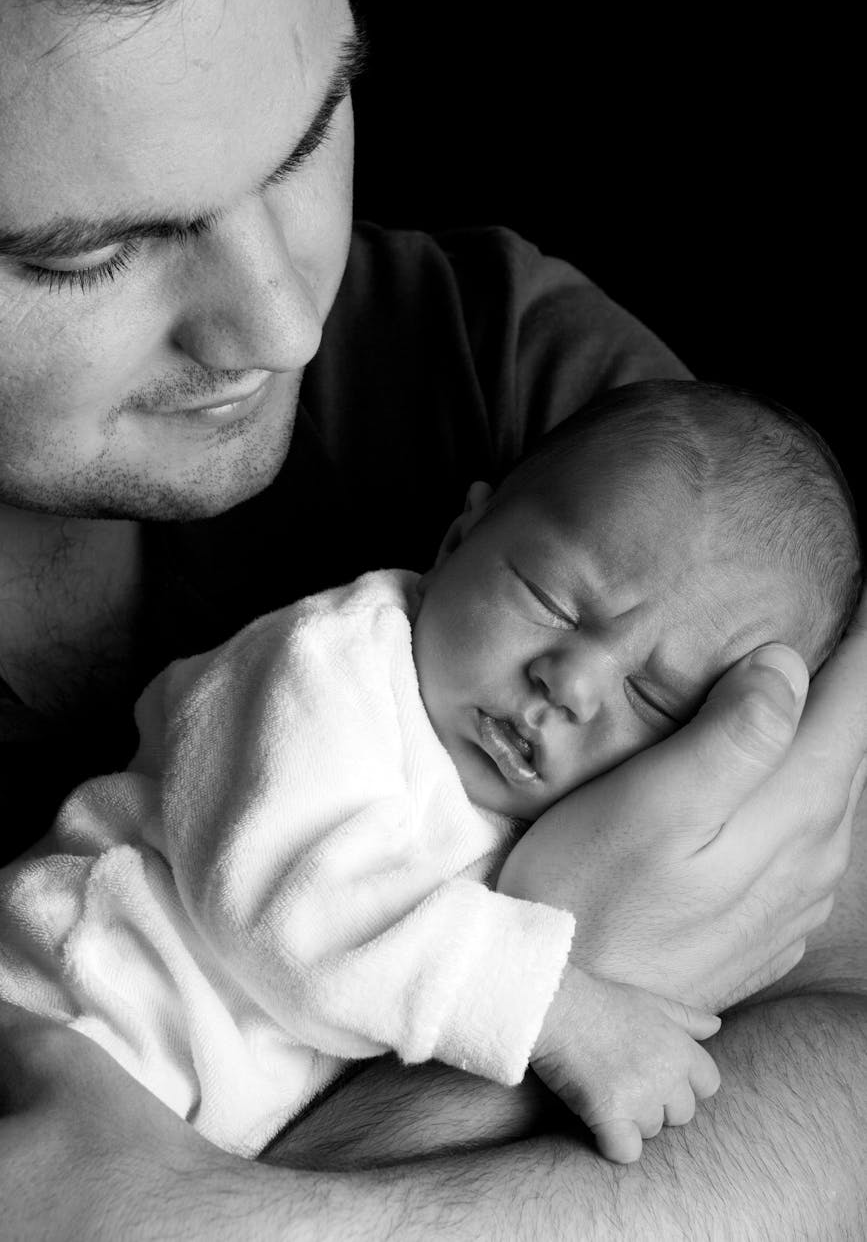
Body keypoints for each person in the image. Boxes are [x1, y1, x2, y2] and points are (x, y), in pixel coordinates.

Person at [0, 0, 865, 1238]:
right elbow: (290, 903)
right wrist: (586, 996)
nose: (284, 324)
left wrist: (183, 1218)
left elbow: (846, 1073)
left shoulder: (537, 403)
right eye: (89, 254)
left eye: (304, 142)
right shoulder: (337, 666)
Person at [0, 378, 861, 1167]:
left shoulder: (581, 818)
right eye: (552, 600)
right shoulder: (326, 669)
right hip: (69, 1014)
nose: (572, 682)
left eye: (657, 697)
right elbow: (296, 911)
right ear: (460, 537)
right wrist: (562, 1010)